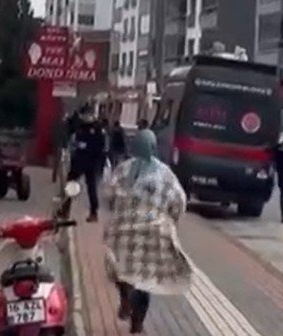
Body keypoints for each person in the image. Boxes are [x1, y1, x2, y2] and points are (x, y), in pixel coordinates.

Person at [104, 130, 194, 334]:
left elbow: (109, 194)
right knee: (145, 279)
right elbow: (179, 202)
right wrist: (170, 220)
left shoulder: (123, 169)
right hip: (153, 233)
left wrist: (120, 212)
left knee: (119, 268)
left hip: (123, 231)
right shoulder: (165, 174)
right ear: (154, 147)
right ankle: (137, 323)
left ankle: (125, 297)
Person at [67, 104, 107, 223]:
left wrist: (86, 147)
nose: (86, 117)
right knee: (71, 184)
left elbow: (101, 147)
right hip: (79, 160)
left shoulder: (98, 128)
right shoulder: (79, 125)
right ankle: (65, 208)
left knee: (91, 187)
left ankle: (93, 212)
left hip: (91, 161)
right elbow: (71, 133)